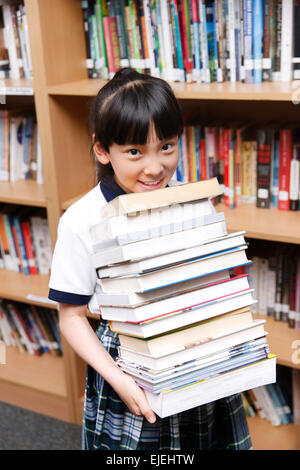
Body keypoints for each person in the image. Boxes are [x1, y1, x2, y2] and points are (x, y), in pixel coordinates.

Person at [48, 68, 252, 450]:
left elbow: (212, 286)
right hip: (127, 364)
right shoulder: (81, 220)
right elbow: (71, 316)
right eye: (134, 152)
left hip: (195, 350)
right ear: (101, 150)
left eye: (167, 147)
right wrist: (119, 380)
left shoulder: (194, 205)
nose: (155, 167)